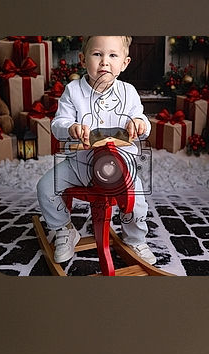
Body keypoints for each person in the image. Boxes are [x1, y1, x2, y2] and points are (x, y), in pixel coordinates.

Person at [36, 36, 157, 266]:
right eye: (97, 54)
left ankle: (135, 238)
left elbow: (142, 120)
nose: (104, 62)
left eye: (113, 55)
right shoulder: (73, 91)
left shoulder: (128, 92)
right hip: (79, 164)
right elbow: (57, 124)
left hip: (119, 167)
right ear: (83, 59)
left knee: (137, 198)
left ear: (124, 63)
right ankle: (63, 229)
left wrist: (139, 123)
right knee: (45, 187)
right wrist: (71, 127)